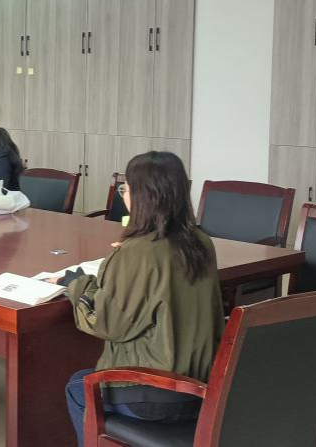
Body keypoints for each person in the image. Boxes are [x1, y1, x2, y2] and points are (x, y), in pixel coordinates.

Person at [60, 151, 223, 447]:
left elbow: (106, 323)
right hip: (204, 386)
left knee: (77, 387)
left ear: (143, 197)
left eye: (126, 188)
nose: (123, 194)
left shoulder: (138, 252)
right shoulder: (202, 242)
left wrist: (77, 284)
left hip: (157, 392)